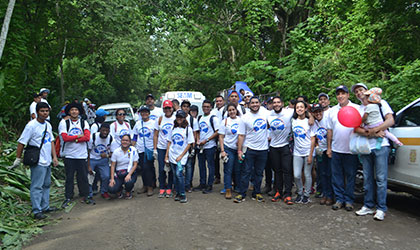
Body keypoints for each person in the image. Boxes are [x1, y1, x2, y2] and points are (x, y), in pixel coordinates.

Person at [352, 83, 395, 221]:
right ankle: (368, 205)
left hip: (381, 146)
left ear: (367, 91)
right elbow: (356, 128)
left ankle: (381, 208)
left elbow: (390, 120)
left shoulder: (381, 103)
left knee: (381, 179)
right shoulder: (359, 109)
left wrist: (375, 130)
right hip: (365, 147)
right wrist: (371, 133)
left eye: (361, 90)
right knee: (368, 178)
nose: (359, 93)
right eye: (356, 92)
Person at [12, 102, 59, 219]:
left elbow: (51, 141)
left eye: (47, 111)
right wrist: (18, 158)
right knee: (37, 186)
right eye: (42, 111)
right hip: (38, 160)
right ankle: (37, 210)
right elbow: (22, 142)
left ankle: (45, 206)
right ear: (37, 112)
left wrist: (54, 157)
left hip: (47, 159)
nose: (45, 113)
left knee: (47, 184)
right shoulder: (31, 126)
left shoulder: (48, 125)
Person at [327, 85, 360, 211]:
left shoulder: (356, 108)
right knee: (337, 176)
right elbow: (329, 130)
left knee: (351, 176)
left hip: (351, 149)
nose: (340, 96)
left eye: (343, 93)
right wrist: (329, 148)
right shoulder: (332, 111)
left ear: (348, 95)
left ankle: (349, 200)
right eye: (338, 94)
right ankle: (339, 199)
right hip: (336, 149)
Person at [234, 97, 269, 203]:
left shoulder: (266, 114)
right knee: (246, 172)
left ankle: (257, 192)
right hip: (249, 148)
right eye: (252, 103)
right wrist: (239, 151)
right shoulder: (244, 118)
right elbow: (241, 135)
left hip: (263, 149)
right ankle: (242, 193)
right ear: (249, 104)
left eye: (256, 103)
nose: (254, 105)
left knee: (259, 173)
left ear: (260, 104)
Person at [59, 102, 92, 207]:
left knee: (83, 176)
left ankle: (85, 195)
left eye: (76, 110)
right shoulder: (64, 123)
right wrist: (78, 136)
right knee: (69, 177)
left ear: (79, 112)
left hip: (81, 154)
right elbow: (64, 138)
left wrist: (73, 138)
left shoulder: (84, 123)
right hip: (69, 154)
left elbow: (87, 137)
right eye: (72, 110)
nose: (74, 112)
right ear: (69, 111)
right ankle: (68, 196)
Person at [267, 96, 294, 205]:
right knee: (277, 171)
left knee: (287, 170)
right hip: (273, 146)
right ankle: (278, 191)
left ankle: (287, 194)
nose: (276, 104)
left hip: (285, 146)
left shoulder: (289, 112)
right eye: (274, 103)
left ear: (282, 103)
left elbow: (305, 108)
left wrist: (310, 117)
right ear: (272, 104)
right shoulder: (268, 115)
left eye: (278, 102)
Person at [165, 110, 194, 203]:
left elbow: (189, 143)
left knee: (179, 174)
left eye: (181, 117)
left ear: (184, 118)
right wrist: (166, 155)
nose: (179, 119)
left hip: (181, 157)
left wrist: (181, 156)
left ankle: (182, 193)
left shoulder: (188, 129)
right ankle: (177, 192)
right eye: (178, 117)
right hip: (172, 155)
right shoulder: (173, 129)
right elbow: (169, 142)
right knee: (174, 175)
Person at [309, 103, 333, 205]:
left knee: (330, 173)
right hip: (319, 151)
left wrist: (329, 148)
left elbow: (329, 134)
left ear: (322, 111)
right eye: (315, 112)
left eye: (319, 111)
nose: (318, 113)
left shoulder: (327, 120)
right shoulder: (313, 122)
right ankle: (324, 194)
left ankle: (330, 195)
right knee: (322, 173)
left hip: (328, 150)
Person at [291, 101, 314, 204]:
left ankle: (306, 194)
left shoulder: (309, 121)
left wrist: (310, 155)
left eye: (301, 107)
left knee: (307, 174)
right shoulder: (293, 121)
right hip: (297, 151)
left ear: (305, 109)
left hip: (308, 151)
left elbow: (313, 139)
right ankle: (300, 192)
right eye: (297, 107)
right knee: (296, 175)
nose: (299, 109)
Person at [132, 105, 158, 196]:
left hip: (150, 149)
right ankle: (145, 185)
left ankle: (150, 187)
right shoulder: (138, 123)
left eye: (146, 112)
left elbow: (156, 136)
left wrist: (155, 148)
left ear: (149, 113)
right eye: (142, 112)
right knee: (142, 168)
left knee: (148, 168)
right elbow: (135, 136)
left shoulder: (153, 123)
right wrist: (132, 148)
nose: (144, 114)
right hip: (140, 149)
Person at [196, 100, 220, 194]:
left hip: (210, 146)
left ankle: (209, 185)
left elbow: (217, 131)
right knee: (201, 166)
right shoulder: (200, 118)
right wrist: (198, 140)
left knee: (210, 166)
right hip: (201, 147)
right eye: (204, 106)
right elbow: (198, 131)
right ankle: (202, 183)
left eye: (207, 106)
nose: (205, 108)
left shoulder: (213, 118)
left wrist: (207, 140)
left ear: (210, 107)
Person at [219, 103, 242, 199]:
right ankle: (228, 189)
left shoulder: (241, 121)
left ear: (236, 110)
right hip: (228, 148)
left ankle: (237, 187)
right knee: (228, 169)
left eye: (233, 109)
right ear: (227, 112)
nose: (232, 111)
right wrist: (222, 150)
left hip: (239, 149)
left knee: (238, 170)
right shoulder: (225, 122)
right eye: (230, 110)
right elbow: (221, 137)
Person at [153, 100, 175, 198]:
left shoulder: (175, 119)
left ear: (172, 108)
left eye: (169, 108)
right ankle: (162, 187)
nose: (167, 110)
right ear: (163, 109)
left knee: (170, 168)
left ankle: (170, 187)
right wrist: (154, 149)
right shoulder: (160, 119)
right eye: (165, 108)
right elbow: (155, 135)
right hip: (161, 147)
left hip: (172, 148)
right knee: (161, 168)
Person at [87, 123, 113, 200]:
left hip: (103, 160)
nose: (105, 132)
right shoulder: (93, 137)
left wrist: (107, 155)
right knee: (90, 176)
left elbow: (113, 152)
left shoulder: (111, 138)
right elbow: (87, 151)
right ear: (100, 130)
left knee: (106, 176)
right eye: (103, 130)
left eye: (107, 131)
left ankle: (104, 191)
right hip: (92, 158)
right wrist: (88, 165)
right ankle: (89, 193)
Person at [109, 134, 139, 199]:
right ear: (121, 141)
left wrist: (129, 174)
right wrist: (112, 179)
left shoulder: (133, 150)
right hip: (119, 172)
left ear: (130, 142)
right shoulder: (116, 151)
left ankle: (128, 191)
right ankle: (119, 189)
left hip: (129, 171)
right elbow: (113, 165)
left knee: (129, 182)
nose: (125, 142)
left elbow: (135, 164)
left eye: (127, 140)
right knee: (111, 188)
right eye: (123, 140)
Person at [181, 101, 200, 192]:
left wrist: (193, 147)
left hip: (189, 146)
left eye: (187, 107)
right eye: (184, 106)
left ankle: (188, 184)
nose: (185, 108)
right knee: (179, 166)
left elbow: (195, 133)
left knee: (189, 166)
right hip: (179, 146)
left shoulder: (193, 120)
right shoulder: (177, 118)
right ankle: (179, 183)